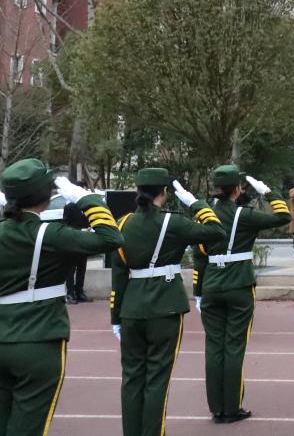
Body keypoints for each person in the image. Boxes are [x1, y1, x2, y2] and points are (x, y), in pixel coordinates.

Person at [0, 160, 123, 436]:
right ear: (45, 194)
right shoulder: (51, 235)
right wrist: (86, 199)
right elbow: (111, 238)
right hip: (38, 338)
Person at [111, 168, 226, 436]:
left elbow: (118, 274)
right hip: (165, 306)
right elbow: (217, 231)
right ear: (164, 192)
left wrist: (115, 316)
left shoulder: (122, 223)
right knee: (157, 380)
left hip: (131, 308)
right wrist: (196, 204)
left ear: (137, 191)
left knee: (131, 378)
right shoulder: (172, 223)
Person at [181, 165, 291, 424]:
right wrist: (268, 192)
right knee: (233, 347)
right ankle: (231, 408)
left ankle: (216, 408)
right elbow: (283, 216)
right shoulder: (245, 215)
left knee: (213, 347)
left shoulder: (204, 216)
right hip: (239, 284)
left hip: (211, 285)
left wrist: (198, 290)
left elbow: (199, 255)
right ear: (237, 189)